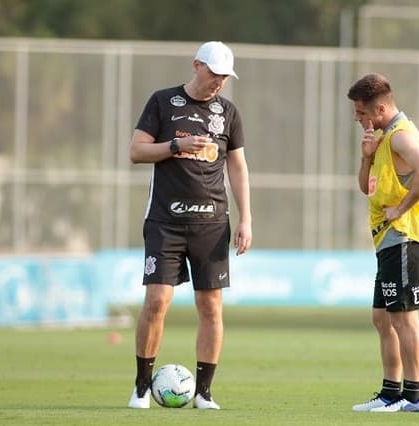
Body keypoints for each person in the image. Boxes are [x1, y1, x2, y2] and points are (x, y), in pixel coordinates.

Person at [127, 41, 252, 410]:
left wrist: (246, 217)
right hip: (165, 220)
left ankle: (204, 392)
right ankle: (140, 387)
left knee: (211, 307)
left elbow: (238, 166)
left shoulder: (228, 112)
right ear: (196, 65)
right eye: (214, 74)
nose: (219, 82)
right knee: (157, 301)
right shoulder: (163, 101)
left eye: (225, 77)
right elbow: (136, 152)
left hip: (212, 223)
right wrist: (174, 145)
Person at [347, 73, 419, 413]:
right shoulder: (383, 139)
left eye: (360, 112)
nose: (357, 118)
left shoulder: (401, 137)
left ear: (380, 108)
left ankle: (413, 396)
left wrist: (400, 208)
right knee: (382, 317)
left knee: (403, 318)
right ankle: (390, 393)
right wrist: (366, 157)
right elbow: (365, 187)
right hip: (387, 239)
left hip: (406, 236)